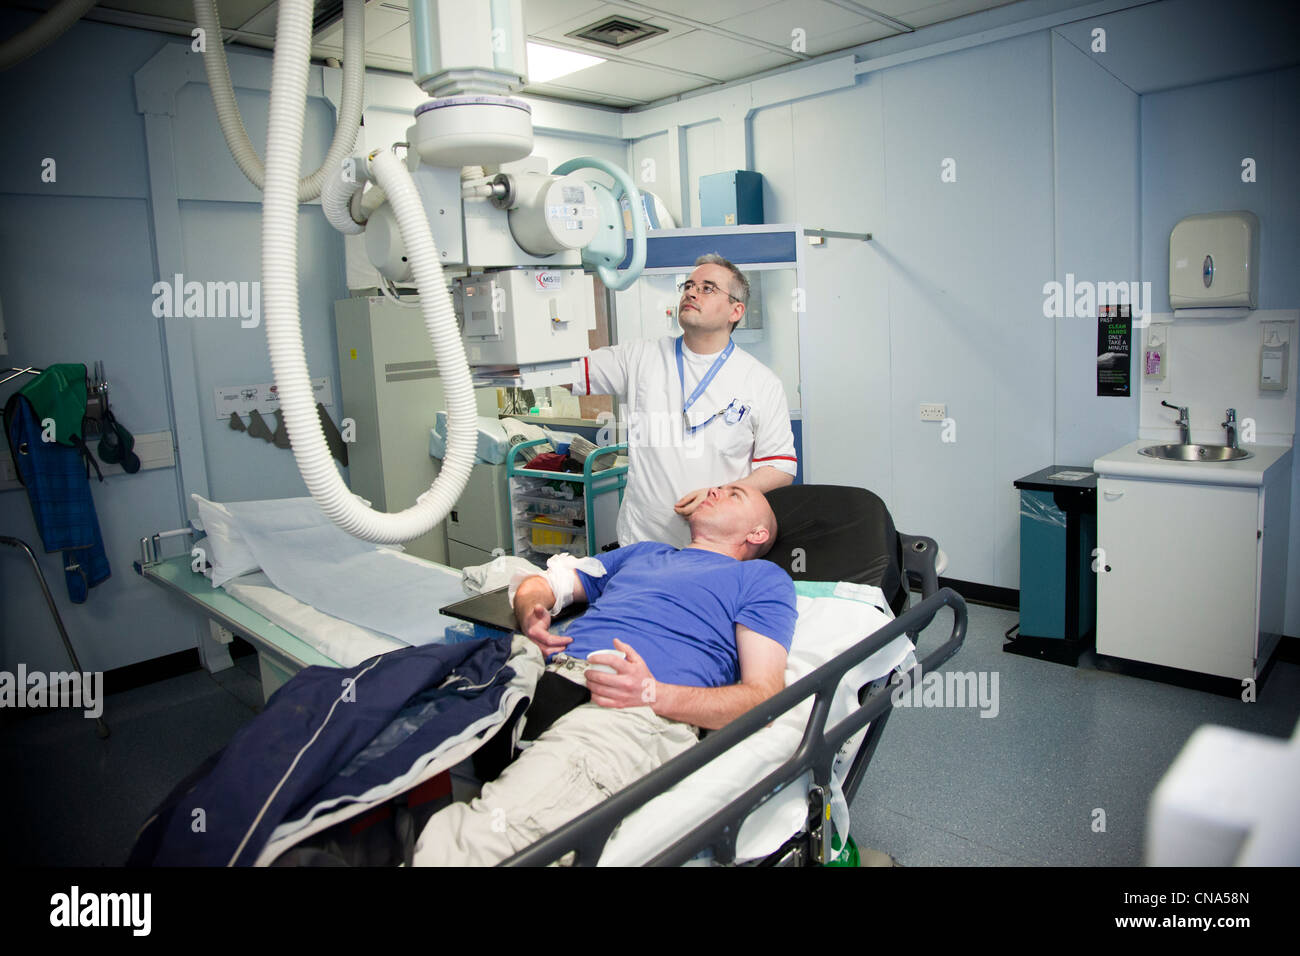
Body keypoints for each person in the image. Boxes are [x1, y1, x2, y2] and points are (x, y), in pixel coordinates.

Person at [412, 482, 797, 866]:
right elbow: (545, 583)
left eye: (734, 494)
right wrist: (531, 612)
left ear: (757, 534)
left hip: (631, 710)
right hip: (540, 678)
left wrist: (653, 693)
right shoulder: (645, 553)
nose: (714, 490)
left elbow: (763, 696)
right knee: (397, 752)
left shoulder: (762, 579)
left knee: (482, 841)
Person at [570, 253, 797, 547]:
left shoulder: (761, 382)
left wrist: (721, 492)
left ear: (735, 311)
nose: (691, 292)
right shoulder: (639, 357)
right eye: (688, 285)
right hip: (643, 541)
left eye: (707, 288)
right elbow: (562, 373)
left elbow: (780, 467)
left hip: (719, 547)